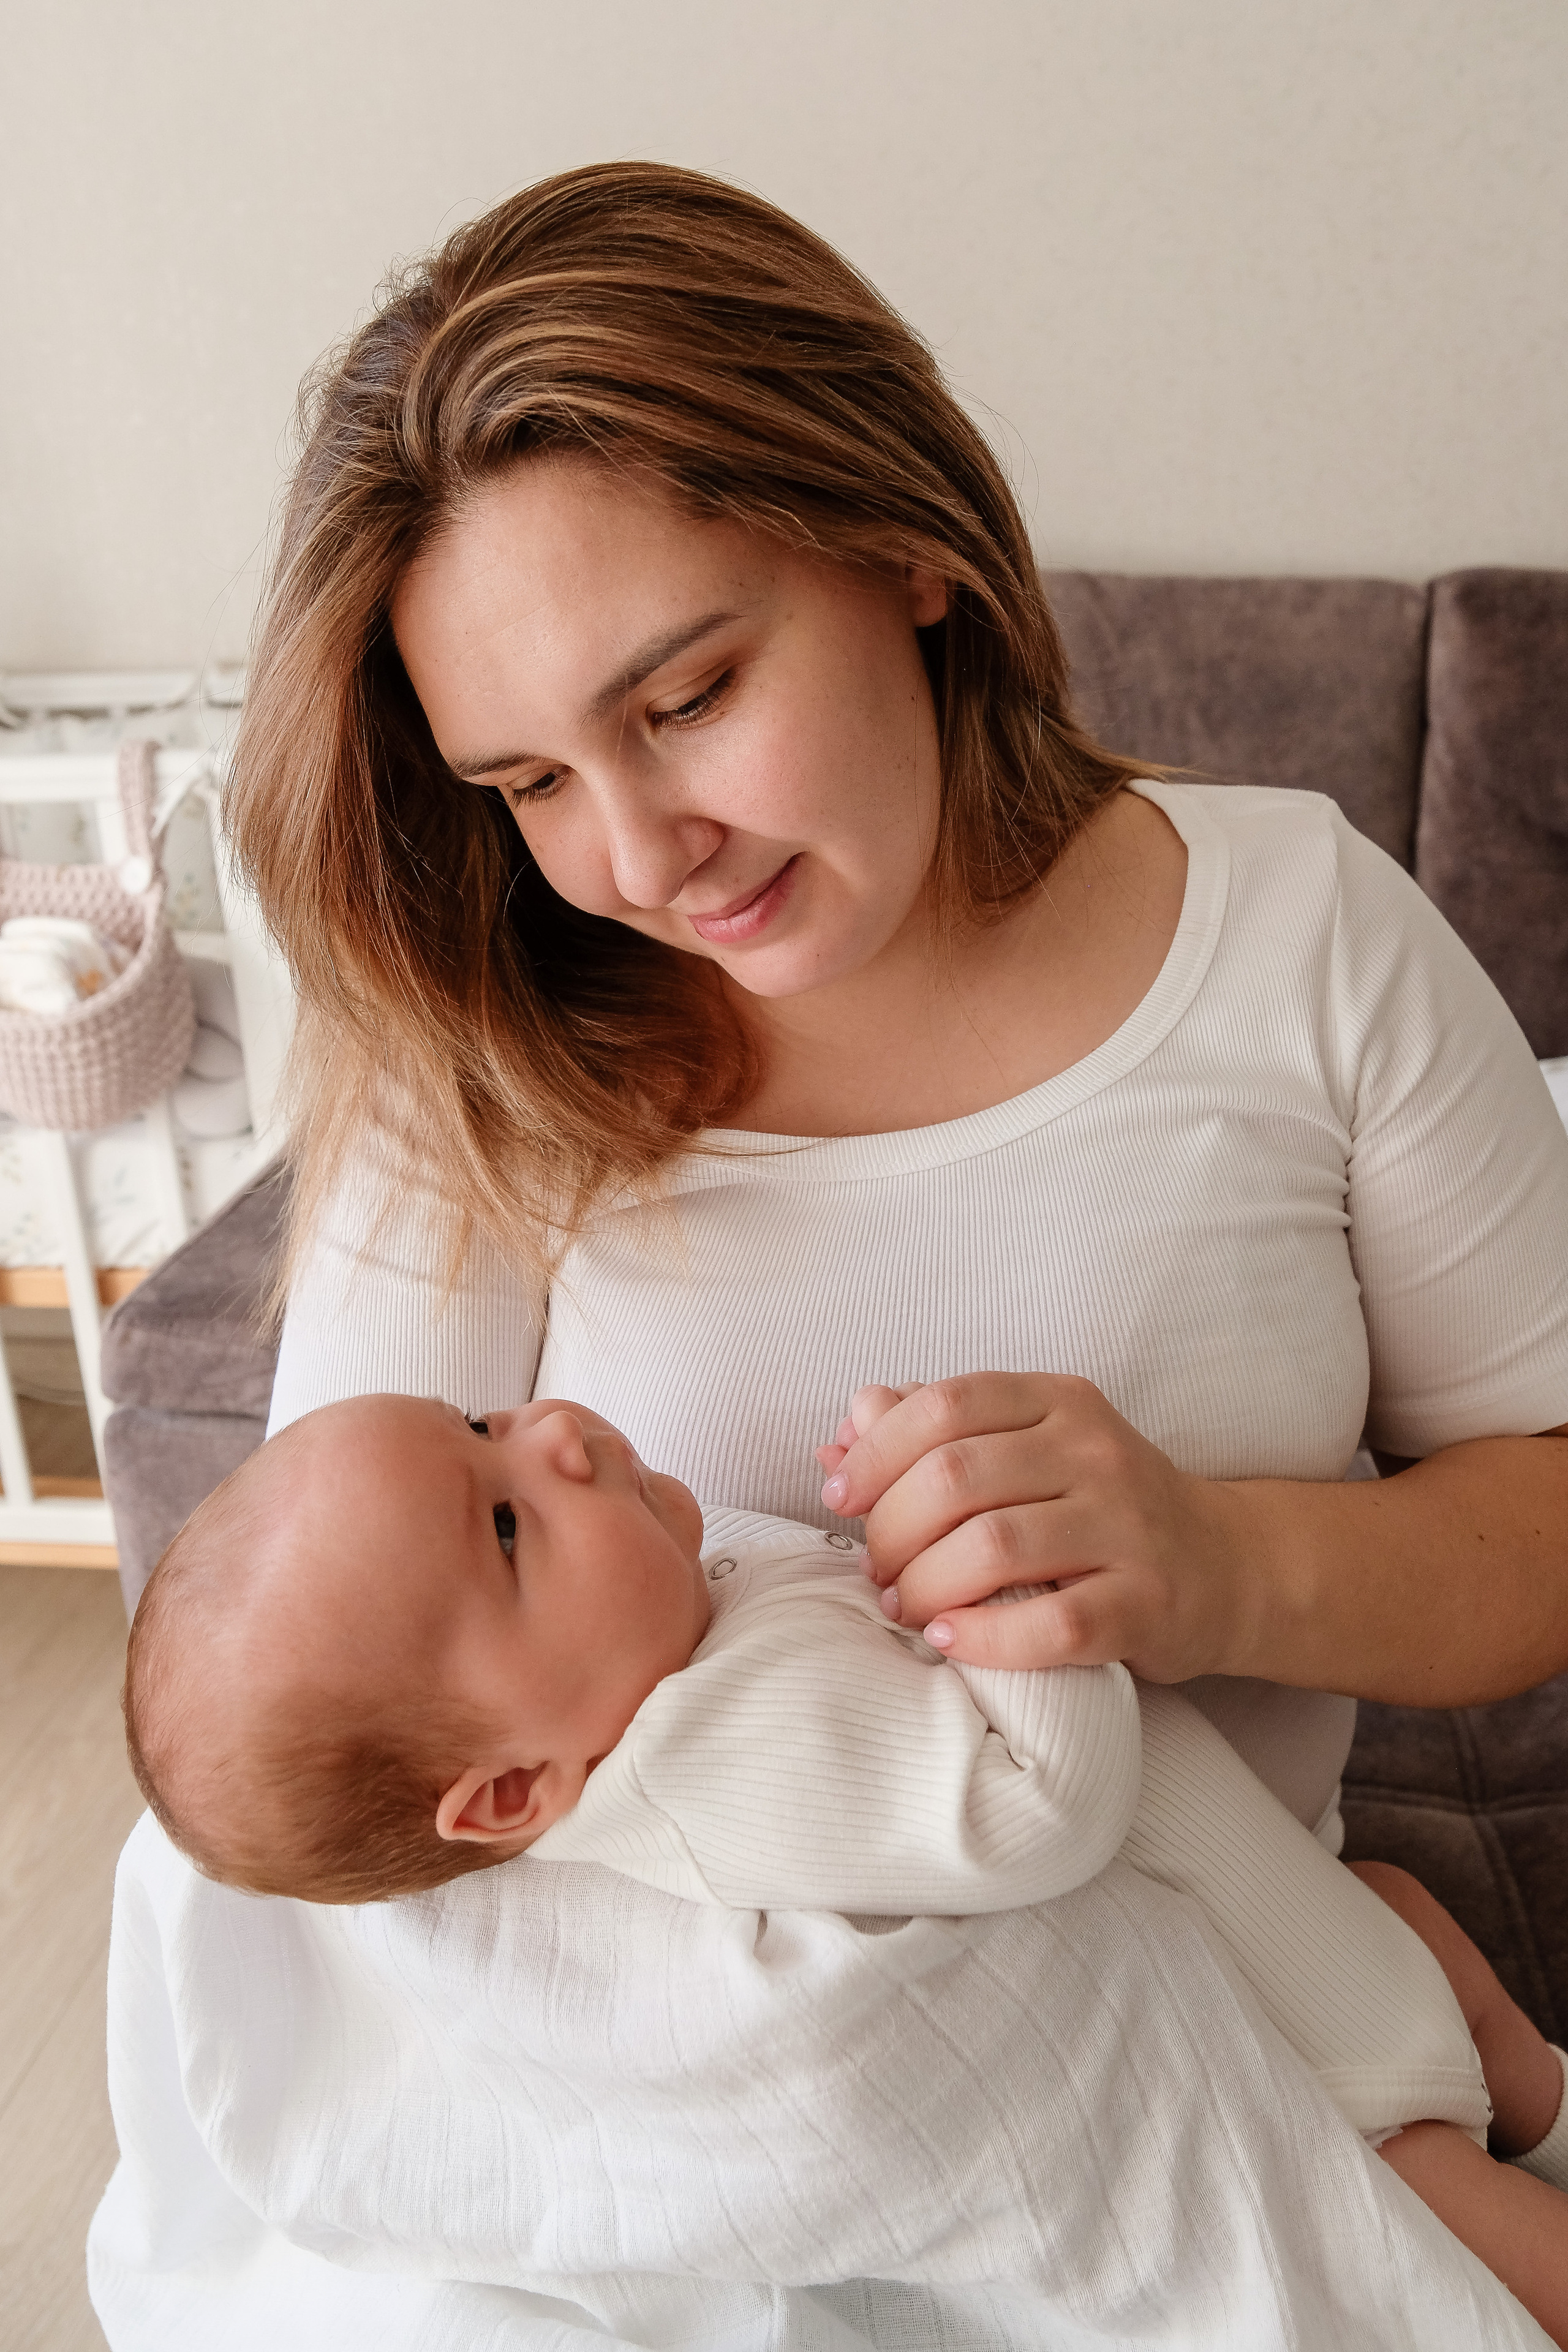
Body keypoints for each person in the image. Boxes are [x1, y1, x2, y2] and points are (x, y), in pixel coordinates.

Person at [191, 158, 1568, 2338]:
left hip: (1211, 2062)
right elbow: (387, 1773)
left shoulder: (1304, 941)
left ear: (907, 540)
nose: (639, 855)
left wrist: (1218, 1564)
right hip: (732, 2143)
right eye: (530, 781)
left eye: (687, 693)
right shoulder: (467, 1060)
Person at [119, 1387, 1568, 2337]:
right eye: (508, 1525)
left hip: (1308, 1931)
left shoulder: (666, 1629)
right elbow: (1033, 1813)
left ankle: (1545, 2105)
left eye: (483, 1418)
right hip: (1309, 2079)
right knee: (1467, 2232)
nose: (553, 1435)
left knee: (1410, 1934)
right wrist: (1013, 1593)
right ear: (511, 1792)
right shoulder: (711, 1760)